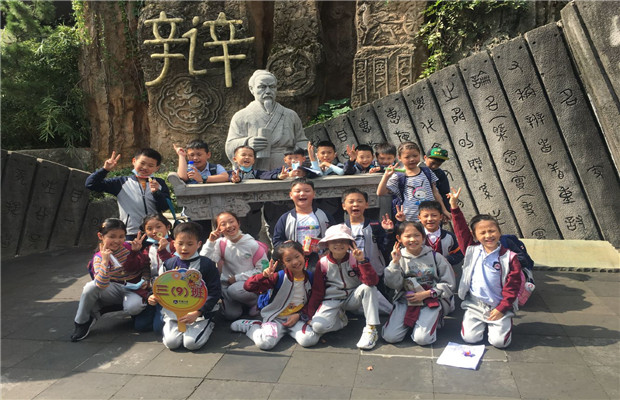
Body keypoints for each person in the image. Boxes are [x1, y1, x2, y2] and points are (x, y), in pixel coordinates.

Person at [448, 187, 522, 348]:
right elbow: (461, 230)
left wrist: (502, 308)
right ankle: (480, 322)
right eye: (482, 233)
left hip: (499, 304)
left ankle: (504, 320)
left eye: (492, 231)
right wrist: (454, 207)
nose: (488, 235)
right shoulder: (472, 250)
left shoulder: (509, 257)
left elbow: (513, 287)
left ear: (499, 232)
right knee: (470, 338)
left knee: (499, 343)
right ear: (475, 236)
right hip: (475, 305)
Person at [70, 218, 150, 342]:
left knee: (134, 308)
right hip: (112, 288)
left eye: (121, 236)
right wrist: (105, 261)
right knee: (90, 287)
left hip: (133, 289)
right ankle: (81, 322)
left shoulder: (130, 247)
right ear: (100, 236)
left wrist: (145, 277)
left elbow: (144, 266)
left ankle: (103, 308)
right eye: (112, 236)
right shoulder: (98, 257)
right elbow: (100, 284)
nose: (117, 241)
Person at [230, 241, 320, 350]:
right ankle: (254, 325)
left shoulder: (310, 277)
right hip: (275, 318)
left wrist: (300, 315)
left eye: (297, 256)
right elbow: (248, 286)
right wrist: (263, 276)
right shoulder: (278, 277)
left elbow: (313, 300)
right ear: (283, 263)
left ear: (303, 255)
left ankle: (289, 330)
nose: (295, 262)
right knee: (265, 343)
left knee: (309, 339)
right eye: (288, 260)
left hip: (297, 318)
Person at [148, 222, 222, 351]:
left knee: (191, 343)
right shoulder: (168, 264)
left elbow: (214, 292)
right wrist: (153, 296)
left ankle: (209, 322)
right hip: (174, 313)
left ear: (199, 244)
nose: (184, 248)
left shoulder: (207, 264)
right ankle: (176, 326)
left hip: (199, 315)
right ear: (174, 244)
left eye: (190, 244)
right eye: (180, 243)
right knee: (172, 343)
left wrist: (198, 312)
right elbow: (158, 286)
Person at [306, 224, 382, 350]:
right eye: (334, 241)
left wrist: (362, 261)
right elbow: (317, 291)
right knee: (318, 327)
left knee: (369, 288)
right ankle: (342, 320)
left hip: (353, 297)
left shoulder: (355, 259)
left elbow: (372, 281)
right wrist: (310, 315)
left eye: (343, 241)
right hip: (332, 299)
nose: (338, 244)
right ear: (327, 244)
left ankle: (371, 329)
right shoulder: (323, 263)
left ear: (349, 244)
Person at [382, 221, 456, 345]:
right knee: (391, 337)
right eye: (407, 236)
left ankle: (435, 317)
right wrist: (394, 263)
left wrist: (427, 294)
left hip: (431, 299)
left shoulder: (436, 257)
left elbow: (449, 284)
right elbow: (393, 285)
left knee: (422, 339)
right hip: (406, 300)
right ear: (399, 238)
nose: (413, 239)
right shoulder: (399, 257)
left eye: (416, 235)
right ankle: (414, 322)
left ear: (423, 237)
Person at [226, 69, 308, 171]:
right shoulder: (241, 116)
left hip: (287, 165)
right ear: (252, 89)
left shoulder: (290, 115)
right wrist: (247, 142)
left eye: (272, 87)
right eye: (262, 87)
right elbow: (230, 145)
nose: (268, 91)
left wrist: (304, 155)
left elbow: (301, 140)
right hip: (256, 166)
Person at [85, 149, 171, 240]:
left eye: (150, 165)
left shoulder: (159, 183)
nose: (145, 167)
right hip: (131, 233)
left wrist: (157, 192)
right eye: (142, 163)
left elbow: (165, 207)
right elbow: (91, 184)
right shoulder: (121, 183)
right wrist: (105, 170)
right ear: (134, 161)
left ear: (157, 168)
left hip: (155, 233)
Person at [200, 211, 269, 320]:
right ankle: (242, 305)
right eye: (223, 224)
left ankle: (255, 302)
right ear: (218, 228)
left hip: (248, 284)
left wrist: (237, 278)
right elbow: (204, 262)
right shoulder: (221, 243)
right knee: (231, 315)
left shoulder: (252, 244)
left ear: (238, 223)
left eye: (231, 221)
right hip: (227, 284)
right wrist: (210, 241)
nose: (228, 226)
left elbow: (263, 269)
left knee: (235, 290)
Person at [341, 188, 394, 305]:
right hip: (350, 273)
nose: (355, 204)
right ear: (344, 206)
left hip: (374, 270)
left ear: (366, 204)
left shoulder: (374, 225)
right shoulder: (341, 228)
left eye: (360, 201)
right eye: (351, 201)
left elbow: (386, 248)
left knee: (382, 304)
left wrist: (389, 232)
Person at [376, 142, 450, 222]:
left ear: (420, 155)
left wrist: (444, 210)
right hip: (410, 219)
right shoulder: (398, 176)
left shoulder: (427, 171)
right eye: (407, 157)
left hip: (430, 217)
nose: (412, 159)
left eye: (415, 156)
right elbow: (380, 192)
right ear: (399, 158)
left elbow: (435, 193)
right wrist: (386, 176)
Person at [272, 178, 335, 271]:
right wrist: (287, 245)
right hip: (294, 260)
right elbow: (277, 242)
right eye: (298, 191)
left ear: (314, 194)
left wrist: (328, 250)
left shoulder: (324, 215)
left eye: (307, 191)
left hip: (320, 258)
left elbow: (335, 237)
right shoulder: (286, 218)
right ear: (291, 195)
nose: (302, 194)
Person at [228, 145, 287, 239]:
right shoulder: (231, 174)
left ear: (254, 160)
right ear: (235, 159)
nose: (247, 157)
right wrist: (234, 179)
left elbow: (267, 175)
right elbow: (230, 178)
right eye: (243, 155)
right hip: (236, 212)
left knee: (254, 236)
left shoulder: (257, 173)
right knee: (236, 237)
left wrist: (278, 176)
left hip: (254, 212)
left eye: (250, 155)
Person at [133, 213, 175, 333]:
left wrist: (163, 251)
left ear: (167, 227)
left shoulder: (175, 245)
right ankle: (154, 311)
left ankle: (167, 314)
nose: (154, 231)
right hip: (152, 290)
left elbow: (175, 267)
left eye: (158, 227)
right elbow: (144, 267)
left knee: (158, 328)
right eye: (149, 229)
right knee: (140, 326)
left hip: (170, 288)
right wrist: (135, 253)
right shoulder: (148, 248)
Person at [307, 141, 345, 222]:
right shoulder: (313, 167)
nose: (326, 155)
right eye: (323, 153)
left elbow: (341, 172)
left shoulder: (339, 166)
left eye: (329, 153)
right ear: (317, 155)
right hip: (318, 203)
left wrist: (327, 164)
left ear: (335, 154)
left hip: (335, 203)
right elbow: (318, 173)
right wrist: (312, 158)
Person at [422, 147, 451, 213]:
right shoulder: (416, 170)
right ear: (425, 157)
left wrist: (447, 211)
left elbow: (445, 194)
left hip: (434, 208)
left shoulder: (440, 174)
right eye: (432, 163)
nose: (434, 166)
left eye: (438, 164)